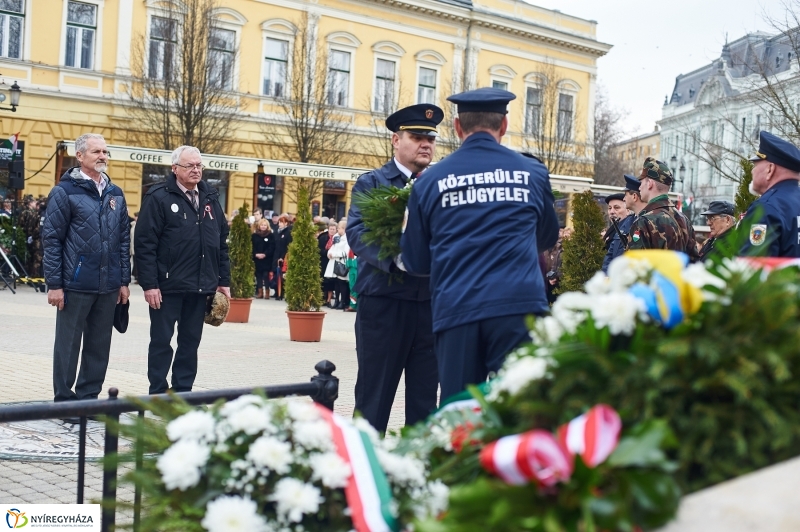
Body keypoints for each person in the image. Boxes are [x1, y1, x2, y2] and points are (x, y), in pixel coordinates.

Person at [401, 87, 559, 400]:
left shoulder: (430, 181)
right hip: (520, 310)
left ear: (458, 128)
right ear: (504, 125)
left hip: (458, 311)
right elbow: (547, 237)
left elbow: (416, 261)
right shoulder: (532, 172)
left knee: (460, 417)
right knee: (520, 412)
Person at [346, 103, 444, 432]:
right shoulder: (372, 182)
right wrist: (399, 260)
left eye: (430, 138)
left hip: (429, 305)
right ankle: (365, 472)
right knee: (374, 396)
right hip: (384, 303)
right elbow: (357, 233)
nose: (426, 144)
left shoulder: (440, 186)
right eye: (417, 137)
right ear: (395, 140)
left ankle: (416, 473)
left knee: (424, 402)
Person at [42, 133, 131, 408]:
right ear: (79, 156)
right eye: (96, 152)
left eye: (105, 151)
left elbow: (123, 239)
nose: (103, 156)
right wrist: (55, 284)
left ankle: (88, 400)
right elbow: (52, 239)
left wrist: (123, 280)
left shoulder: (115, 193)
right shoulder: (64, 191)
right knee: (68, 345)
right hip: (75, 283)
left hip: (108, 285)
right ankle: (65, 402)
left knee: (99, 345)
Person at [134, 145, 230, 395]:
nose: (196, 170)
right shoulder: (158, 197)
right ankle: (157, 392)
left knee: (190, 343)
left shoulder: (210, 197)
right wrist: (149, 284)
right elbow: (145, 244)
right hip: (167, 287)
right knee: (161, 342)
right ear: (175, 169)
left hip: (200, 286)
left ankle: (183, 391)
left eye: (199, 165)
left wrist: (223, 281)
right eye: (190, 166)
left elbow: (221, 243)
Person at [740, 131, 800, 257]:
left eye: (755, 165)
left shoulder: (766, 208)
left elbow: (753, 269)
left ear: (770, 169)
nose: (752, 171)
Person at [627, 157, 699, 260]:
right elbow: (694, 263)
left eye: (641, 183)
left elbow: (634, 266)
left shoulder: (644, 222)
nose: (639, 187)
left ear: (650, 184)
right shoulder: (684, 220)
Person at [601, 192, 633, 273]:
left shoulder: (630, 228)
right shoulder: (613, 228)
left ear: (628, 210)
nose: (612, 212)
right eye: (609, 208)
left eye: (616, 208)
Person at [324, 220, 350, 309]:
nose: (337, 230)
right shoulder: (336, 237)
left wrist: (334, 254)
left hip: (341, 263)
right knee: (336, 282)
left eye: (338, 228)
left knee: (342, 283)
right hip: (334, 262)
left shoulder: (347, 239)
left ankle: (343, 301)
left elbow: (345, 252)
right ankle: (336, 301)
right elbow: (332, 247)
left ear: (343, 229)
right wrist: (329, 253)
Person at [19, 195, 42, 277]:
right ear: (30, 203)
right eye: (34, 202)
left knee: (31, 258)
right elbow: (25, 226)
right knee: (35, 258)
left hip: (31, 237)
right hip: (32, 238)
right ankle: (33, 275)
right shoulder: (30, 213)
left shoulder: (31, 212)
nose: (35, 204)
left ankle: (28, 274)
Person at [252, 218, 275, 298]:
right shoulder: (254, 236)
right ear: (259, 226)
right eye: (262, 225)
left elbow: (272, 247)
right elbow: (252, 246)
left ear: (267, 226)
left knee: (266, 275)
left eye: (265, 225)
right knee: (258, 276)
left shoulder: (271, 235)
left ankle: (267, 293)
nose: (263, 226)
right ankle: (260, 292)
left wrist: (265, 254)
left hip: (267, 259)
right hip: (257, 259)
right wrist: (256, 254)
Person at [272, 214, 292, 300]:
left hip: (284, 256)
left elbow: (288, 246)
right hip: (276, 255)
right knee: (276, 274)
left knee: (283, 275)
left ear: (286, 223)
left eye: (281, 222)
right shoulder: (277, 232)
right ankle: (277, 292)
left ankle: (282, 293)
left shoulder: (288, 233)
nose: (279, 224)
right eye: (279, 222)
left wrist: (283, 257)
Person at [319, 221, 337, 305]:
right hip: (324, 261)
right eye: (331, 229)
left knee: (330, 281)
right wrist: (326, 252)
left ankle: (329, 299)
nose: (332, 231)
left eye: (334, 229)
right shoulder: (323, 237)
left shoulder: (338, 238)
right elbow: (319, 249)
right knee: (323, 280)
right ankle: (322, 298)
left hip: (333, 261)